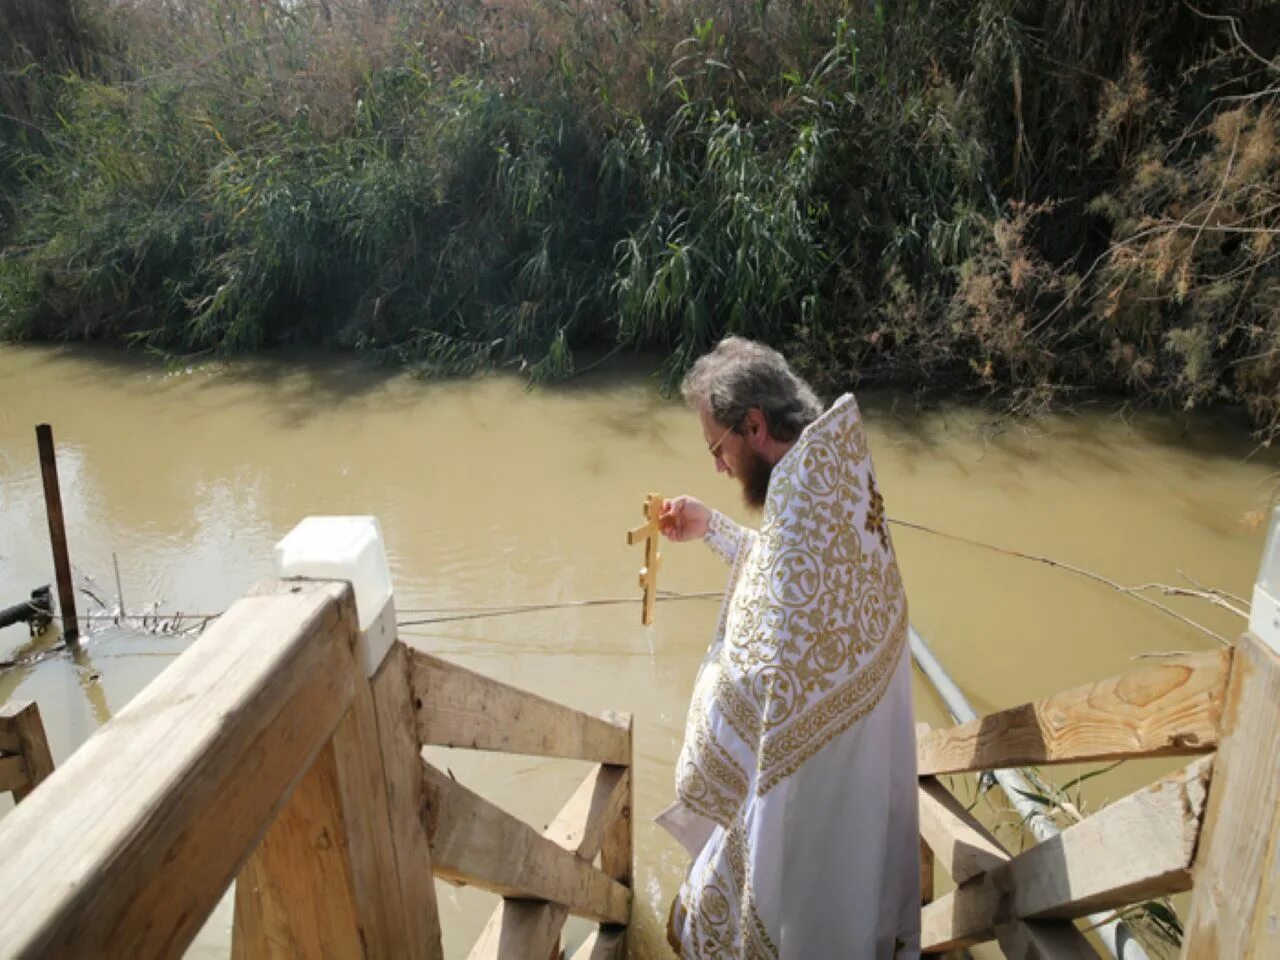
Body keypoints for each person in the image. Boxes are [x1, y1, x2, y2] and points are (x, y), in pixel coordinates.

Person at [658, 337, 920, 959]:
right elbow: (790, 582)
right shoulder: (829, 476)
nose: (719, 468)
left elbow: (751, 675)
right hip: (864, 762)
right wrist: (712, 528)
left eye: (718, 448)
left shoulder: (803, 499)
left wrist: (695, 761)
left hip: (812, 791)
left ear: (754, 425)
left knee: (700, 927)